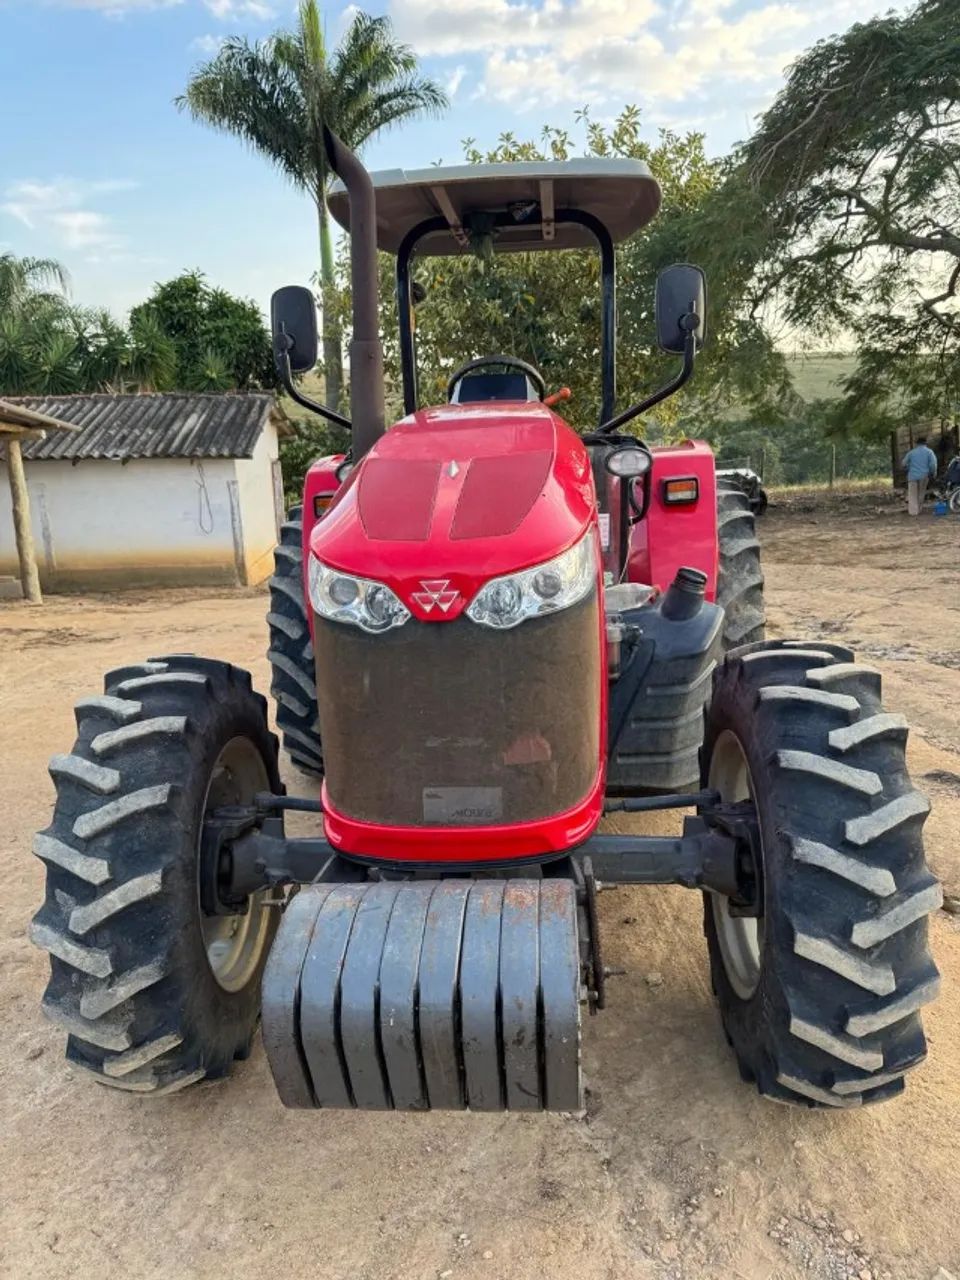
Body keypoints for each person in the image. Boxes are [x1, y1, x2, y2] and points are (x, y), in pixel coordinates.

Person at [901, 436, 938, 515]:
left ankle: (913, 512)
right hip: (924, 476)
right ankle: (919, 509)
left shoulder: (911, 452)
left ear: (916, 443)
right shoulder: (929, 452)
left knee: (912, 494)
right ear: (925, 443)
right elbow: (933, 464)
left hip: (912, 476)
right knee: (921, 493)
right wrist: (933, 473)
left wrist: (908, 468)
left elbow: (903, 463)